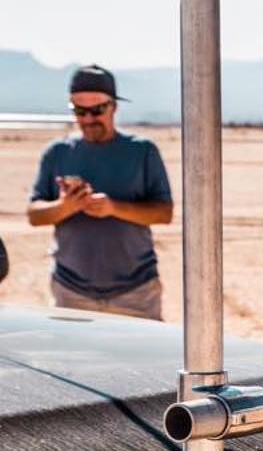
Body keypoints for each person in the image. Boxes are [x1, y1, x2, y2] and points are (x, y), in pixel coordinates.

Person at [27, 65, 173, 320]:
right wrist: (65, 206)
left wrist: (114, 208)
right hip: (71, 293)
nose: (88, 119)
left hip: (137, 292)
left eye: (97, 110)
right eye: (79, 111)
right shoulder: (56, 153)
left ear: (114, 107)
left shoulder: (143, 151)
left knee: (143, 361)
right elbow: (34, 215)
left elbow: (164, 213)